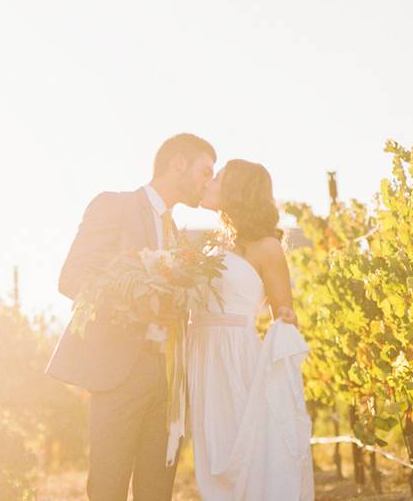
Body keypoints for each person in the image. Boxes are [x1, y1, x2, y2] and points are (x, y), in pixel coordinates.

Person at [45, 133, 216, 501]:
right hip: (118, 373)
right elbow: (73, 276)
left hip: (166, 378)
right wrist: (139, 304)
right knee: (108, 487)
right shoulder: (114, 206)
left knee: (157, 491)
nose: (208, 183)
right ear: (178, 164)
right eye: (205, 172)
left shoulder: (178, 236)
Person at [188, 159, 315, 500]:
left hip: (236, 359)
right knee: (210, 447)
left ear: (236, 191)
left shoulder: (267, 247)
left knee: (245, 450)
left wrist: (286, 319)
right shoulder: (211, 247)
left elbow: (283, 313)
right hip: (202, 356)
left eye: (218, 178)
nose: (209, 181)